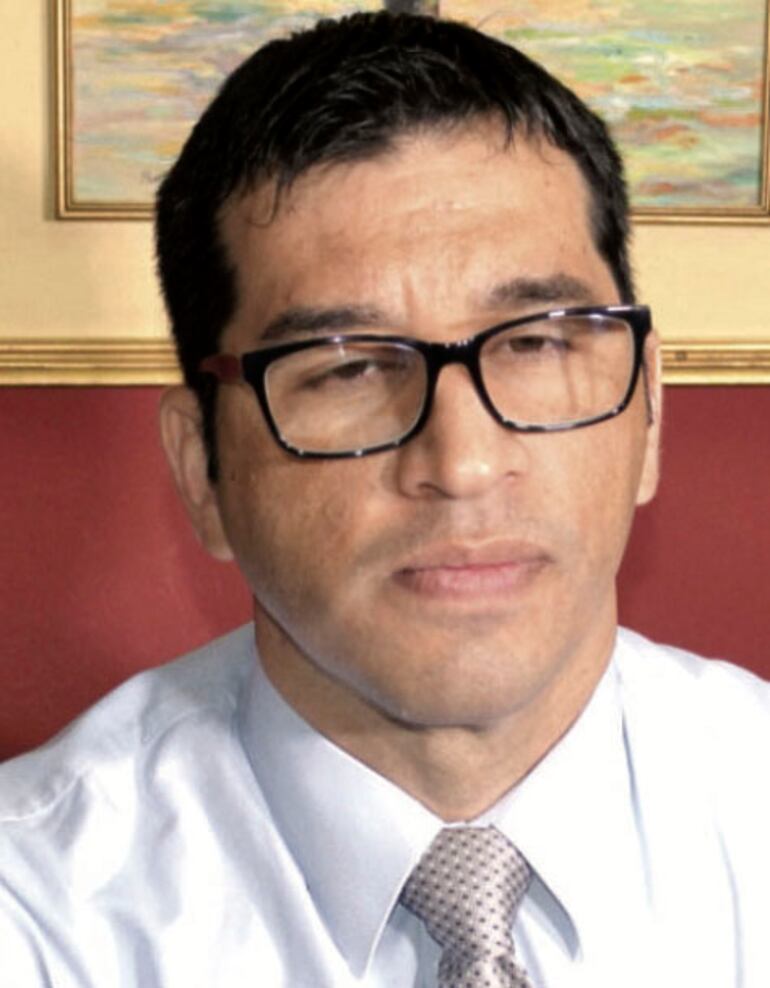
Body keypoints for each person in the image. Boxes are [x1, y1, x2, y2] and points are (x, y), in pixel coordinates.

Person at [1, 11, 769, 987]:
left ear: (649, 411)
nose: (462, 462)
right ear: (203, 470)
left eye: (535, 342)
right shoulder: (35, 910)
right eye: (348, 368)